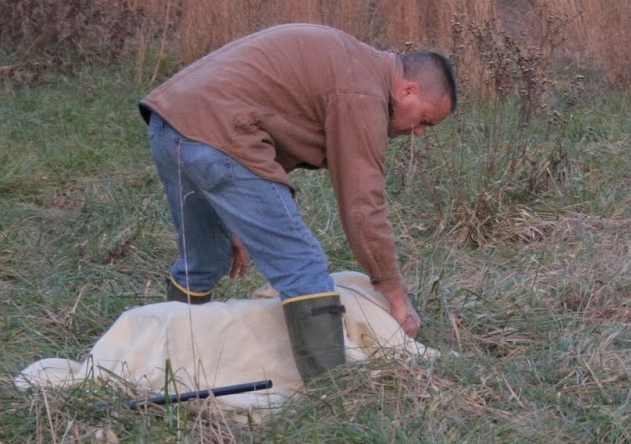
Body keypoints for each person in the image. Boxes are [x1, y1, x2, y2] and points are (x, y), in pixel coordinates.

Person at [138, 23, 456, 382]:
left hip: (169, 125)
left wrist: (236, 218)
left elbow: (269, 117)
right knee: (304, 268)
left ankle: (167, 364)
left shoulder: (351, 62)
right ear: (408, 89)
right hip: (218, 137)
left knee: (205, 259)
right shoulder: (363, 93)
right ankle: (329, 392)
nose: (418, 132)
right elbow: (363, 205)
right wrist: (394, 292)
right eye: (424, 120)